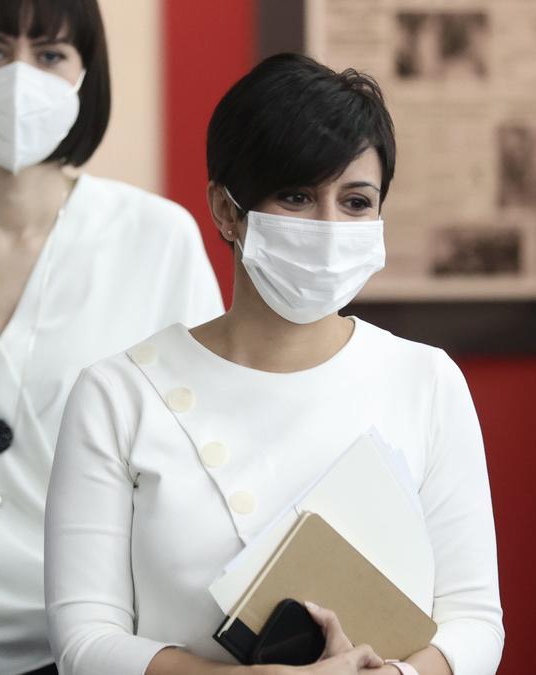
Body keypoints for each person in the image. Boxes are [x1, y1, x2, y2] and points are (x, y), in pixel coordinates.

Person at [45, 54, 504, 675]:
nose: (328, 225)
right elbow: (84, 640)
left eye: (356, 201)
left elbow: (474, 622)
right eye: (296, 196)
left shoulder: (427, 381)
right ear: (227, 210)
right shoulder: (118, 395)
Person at [0, 1, 224, 673]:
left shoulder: (156, 238)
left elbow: (204, 451)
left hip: (91, 641)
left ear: (84, 77)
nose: (18, 77)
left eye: (50, 55)